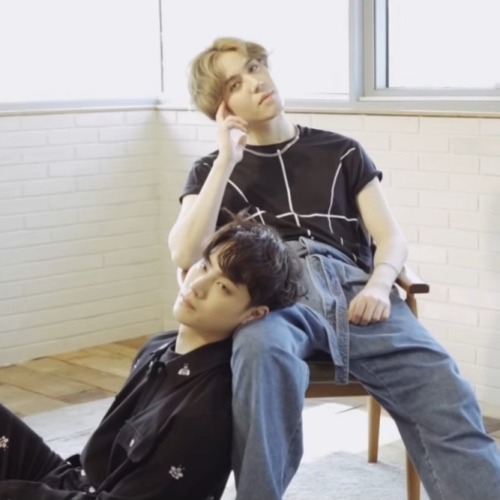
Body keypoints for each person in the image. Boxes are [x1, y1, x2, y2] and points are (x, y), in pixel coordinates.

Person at [167, 37, 500, 500]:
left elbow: (391, 237)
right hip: (276, 299)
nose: (257, 82)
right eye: (235, 84)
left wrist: (380, 286)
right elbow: (185, 253)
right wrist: (227, 158)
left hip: (353, 288)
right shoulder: (211, 170)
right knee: (259, 350)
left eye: (255, 67)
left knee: (442, 382)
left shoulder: (341, 151)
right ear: (221, 109)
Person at [0, 217, 303, 500]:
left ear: (254, 314)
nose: (196, 286)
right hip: (75, 481)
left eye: (223, 287)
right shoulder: (157, 346)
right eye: (204, 266)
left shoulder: (203, 410)